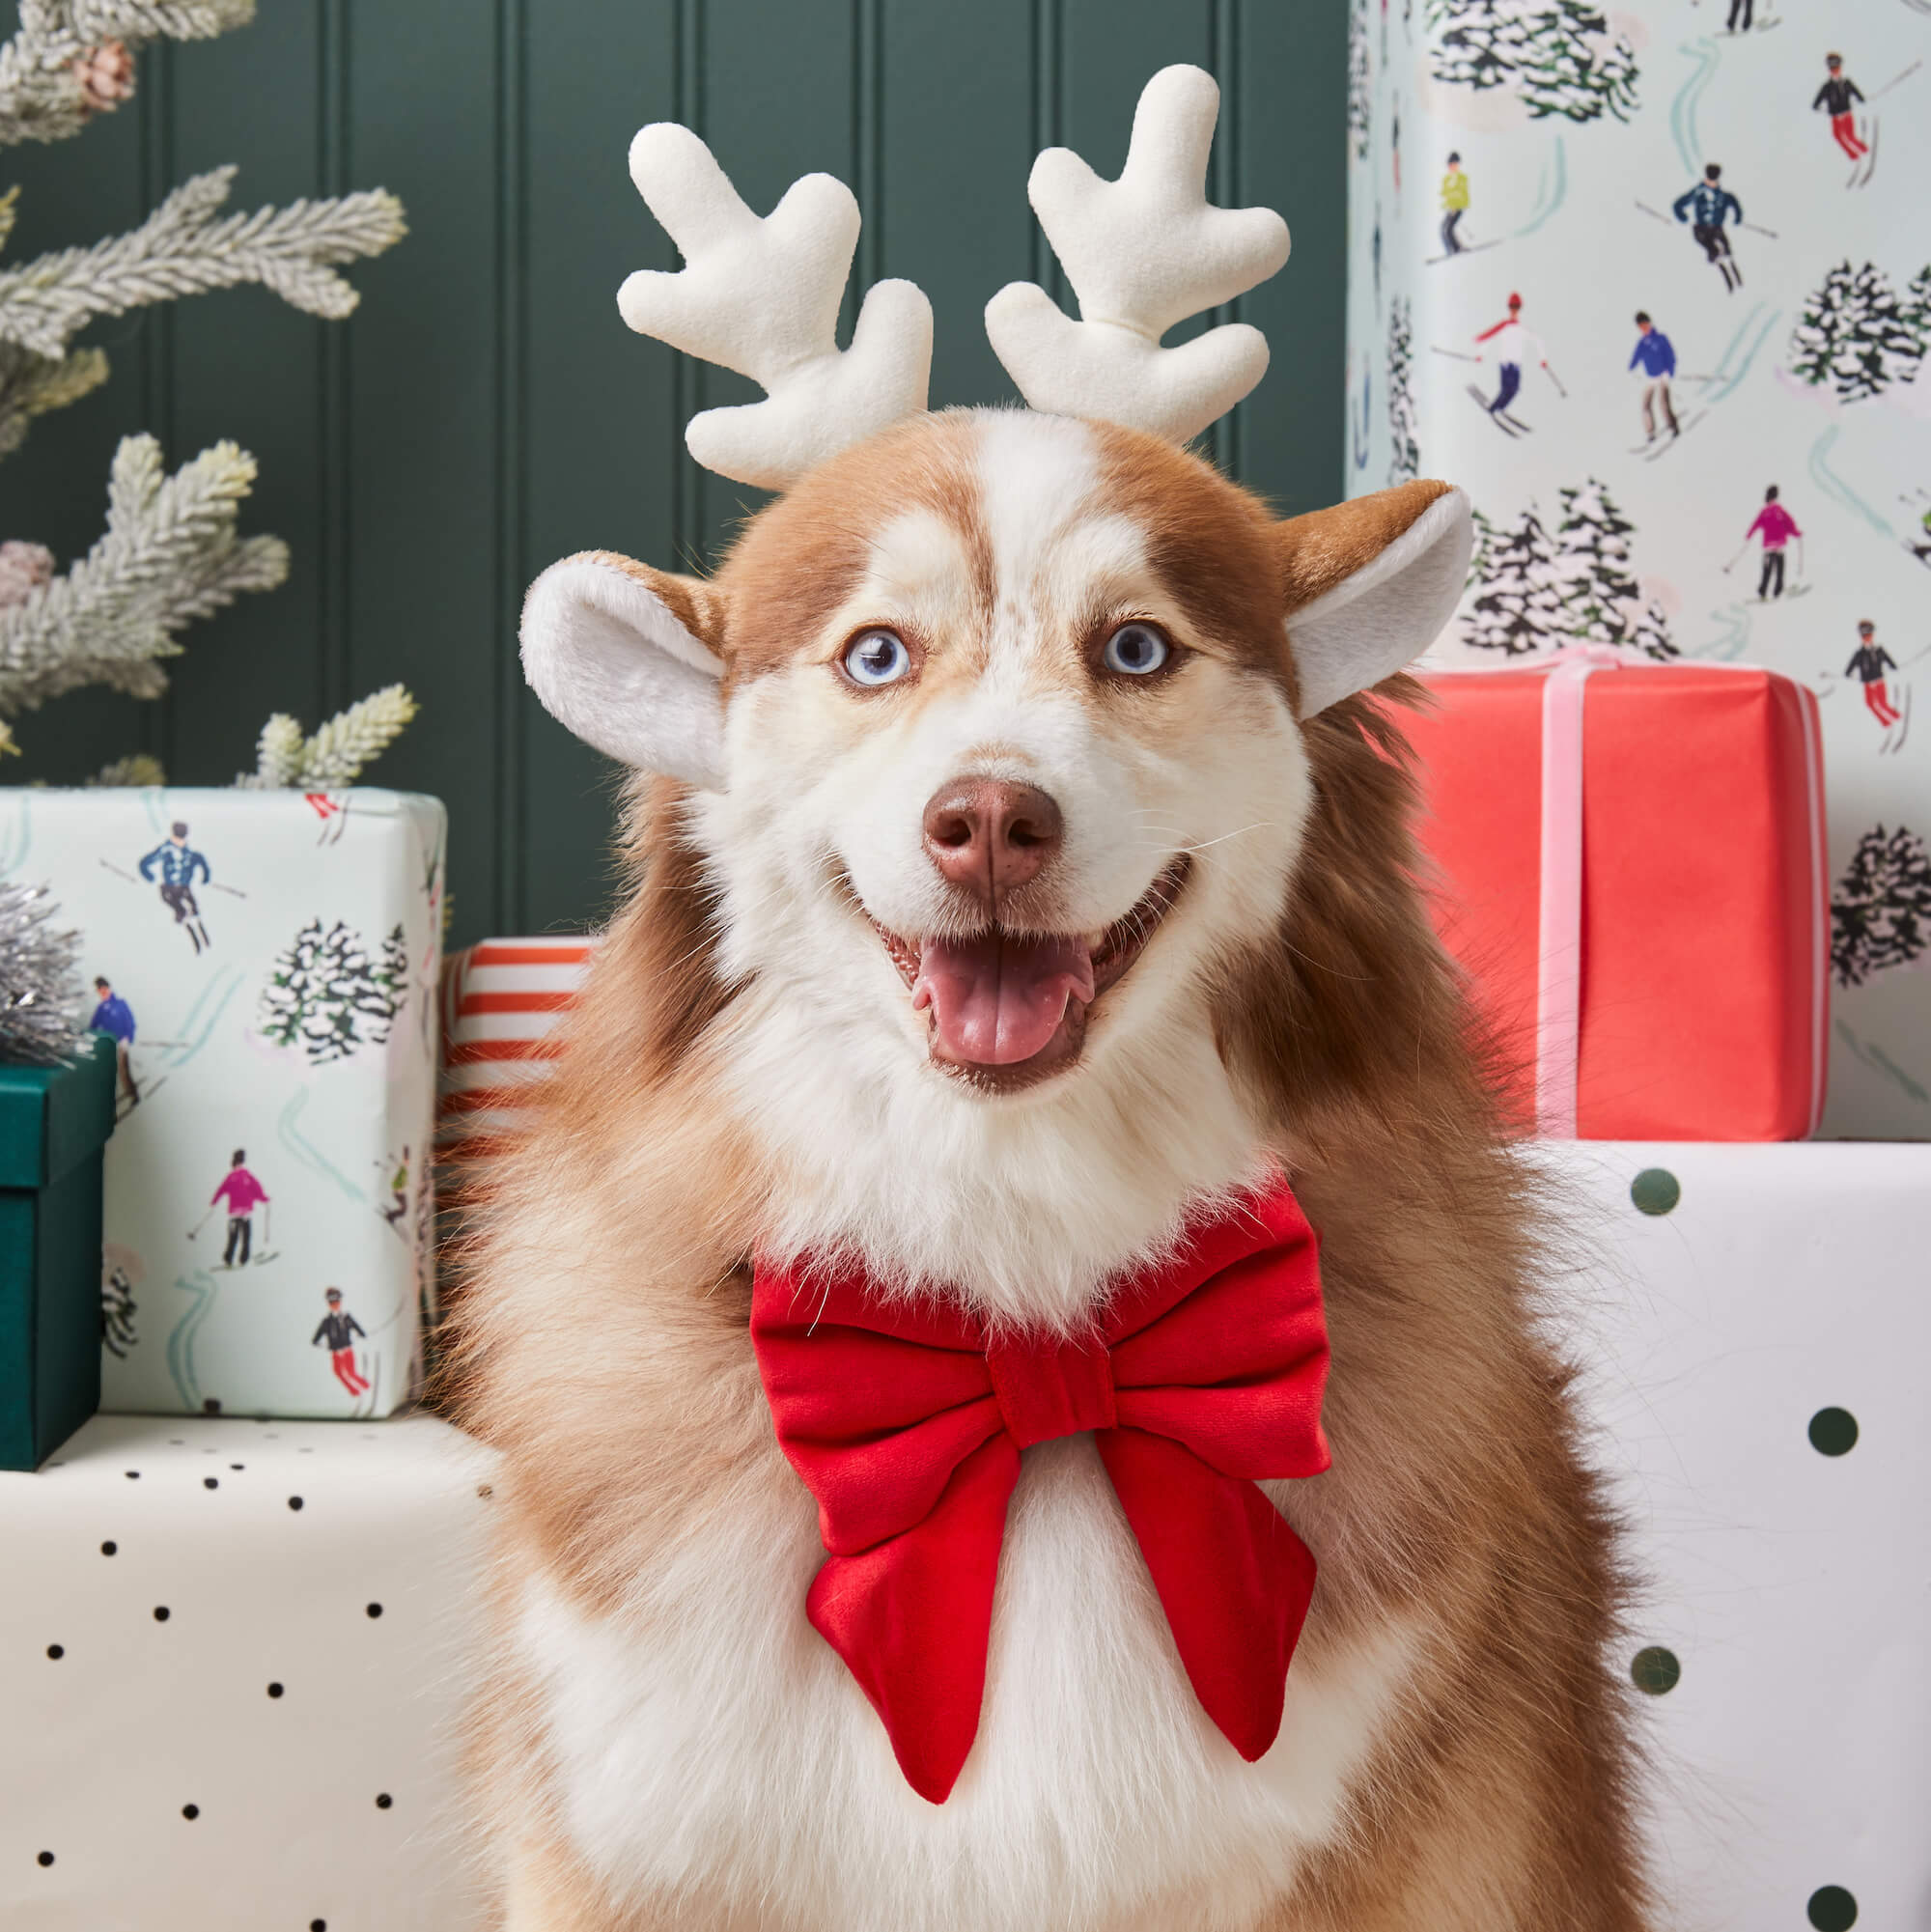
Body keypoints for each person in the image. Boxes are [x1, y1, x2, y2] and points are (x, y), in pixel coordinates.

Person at [1473, 293, 1551, 422]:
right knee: (1506, 389)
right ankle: (1493, 409)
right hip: (1505, 364)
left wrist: (1543, 359)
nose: (1514, 310)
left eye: (1516, 307)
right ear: (1509, 308)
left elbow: (1538, 341)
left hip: (1516, 365)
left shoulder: (1522, 329)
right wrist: (1480, 355)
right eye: (1512, 307)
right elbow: (1488, 338)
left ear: (1519, 309)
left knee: (1515, 389)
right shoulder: (1504, 326)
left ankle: (1500, 408)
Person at [137, 821, 212, 953]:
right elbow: (144, 863)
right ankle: (188, 925)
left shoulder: (190, 854)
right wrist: (151, 877)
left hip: (184, 888)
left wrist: (205, 877)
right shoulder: (166, 850)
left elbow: (202, 862)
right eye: (177, 838)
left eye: (181, 838)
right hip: (169, 889)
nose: (179, 842)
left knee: (193, 909)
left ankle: (201, 933)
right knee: (180, 910)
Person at [1672, 163, 1745, 293]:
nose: (1711, 183)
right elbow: (1678, 204)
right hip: (1701, 229)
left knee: (1726, 249)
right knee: (1713, 250)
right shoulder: (1698, 192)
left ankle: (1736, 277)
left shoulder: (1722, 195)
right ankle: (1721, 269)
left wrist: (1738, 218)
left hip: (1717, 228)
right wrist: (1683, 217)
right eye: (1709, 180)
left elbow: (1734, 203)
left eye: (1714, 180)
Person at [209, 1149, 268, 1268]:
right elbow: (257, 1190)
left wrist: (214, 1201)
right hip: (245, 1213)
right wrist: (264, 1199)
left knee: (233, 1237)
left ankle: (229, 1259)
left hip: (235, 1214)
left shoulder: (231, 1177)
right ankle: (243, 1259)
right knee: (245, 1237)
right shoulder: (247, 1176)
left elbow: (221, 1190)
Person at [1743, 486, 1803, 599]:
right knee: (1780, 570)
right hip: (1779, 546)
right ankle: (1777, 591)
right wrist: (1797, 533)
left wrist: (1749, 535)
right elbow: (1789, 525)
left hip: (1769, 548)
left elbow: (1755, 524)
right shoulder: (1780, 510)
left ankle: (1763, 591)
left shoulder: (1764, 512)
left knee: (1767, 570)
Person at [1628, 312, 1679, 440]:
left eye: (1645, 325)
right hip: (1651, 378)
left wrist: (1670, 372)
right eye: (1641, 326)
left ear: (1649, 323)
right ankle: (1650, 431)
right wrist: (1631, 368)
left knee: (1664, 404)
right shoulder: (1642, 343)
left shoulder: (1661, 338)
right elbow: (1635, 358)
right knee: (1646, 405)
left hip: (1663, 375)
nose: (1643, 328)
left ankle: (1673, 426)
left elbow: (1671, 356)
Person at [90, 974, 139, 1104]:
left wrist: (129, 1037)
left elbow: (130, 1022)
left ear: (108, 989)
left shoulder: (120, 1004)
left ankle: (132, 1094)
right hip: (108, 1044)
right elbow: (93, 1025)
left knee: (123, 1070)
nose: (103, 993)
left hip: (122, 1041)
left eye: (104, 989)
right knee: (108, 1072)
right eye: (100, 991)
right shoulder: (101, 1008)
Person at [312, 1288, 370, 1397]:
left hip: (347, 1350)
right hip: (336, 1353)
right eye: (332, 1303)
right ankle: (354, 1390)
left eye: (337, 1302)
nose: (335, 1305)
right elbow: (317, 1336)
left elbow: (356, 1326)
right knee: (338, 1372)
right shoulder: (327, 1321)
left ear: (340, 1302)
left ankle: (366, 1386)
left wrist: (362, 1334)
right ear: (329, 1304)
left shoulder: (346, 1317)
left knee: (351, 1372)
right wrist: (318, 1342)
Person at [1846, 621, 1899, 725]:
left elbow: (1889, 661)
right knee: (1870, 704)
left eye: (1869, 635)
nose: (1867, 638)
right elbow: (1850, 667)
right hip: (1868, 684)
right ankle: (1885, 721)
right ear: (1861, 637)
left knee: (1883, 703)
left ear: (1872, 635)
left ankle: (1896, 717)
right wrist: (1848, 674)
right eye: (1864, 636)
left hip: (1879, 681)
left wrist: (1893, 667)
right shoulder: (1859, 654)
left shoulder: (1879, 650)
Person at [1814, 55, 1866, 161]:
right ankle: (1853, 154)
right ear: (1830, 70)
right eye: (1833, 69)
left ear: (1840, 68)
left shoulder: (1846, 83)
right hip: (1836, 117)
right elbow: (1816, 102)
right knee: (1838, 136)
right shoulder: (1827, 86)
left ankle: (1864, 150)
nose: (1835, 71)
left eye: (1837, 69)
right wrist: (1820, 108)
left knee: (1850, 136)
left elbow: (1857, 94)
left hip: (1846, 114)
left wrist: (1860, 99)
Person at [1440, 153, 1469, 255]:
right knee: (1444, 229)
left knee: (1448, 229)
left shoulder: (1460, 178)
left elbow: (1462, 194)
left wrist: (1457, 206)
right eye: (1451, 165)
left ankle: (1456, 249)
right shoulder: (1448, 178)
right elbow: (1446, 194)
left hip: (1457, 208)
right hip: (1451, 208)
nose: (1452, 167)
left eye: (1454, 164)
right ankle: (1451, 249)